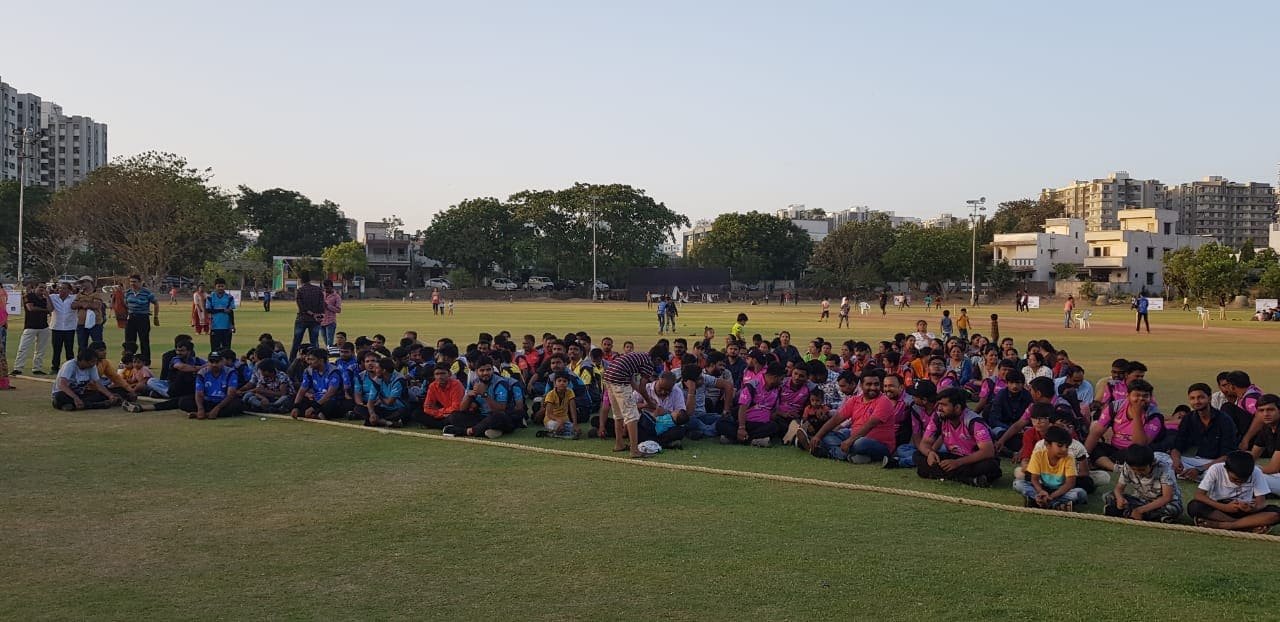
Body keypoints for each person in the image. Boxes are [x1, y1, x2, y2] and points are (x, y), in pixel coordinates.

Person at [913, 387, 1002, 487]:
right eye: (939, 404)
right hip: (954, 456)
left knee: (990, 466)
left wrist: (958, 463)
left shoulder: (974, 421)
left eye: (944, 405)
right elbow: (925, 443)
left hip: (973, 460)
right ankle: (969, 479)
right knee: (918, 455)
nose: (939, 408)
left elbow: (988, 451)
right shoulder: (939, 417)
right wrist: (930, 453)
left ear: (957, 408)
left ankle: (949, 475)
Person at [812, 369, 895, 463]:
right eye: (869, 384)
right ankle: (852, 456)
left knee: (860, 443)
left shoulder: (884, 401)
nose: (873, 387)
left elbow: (870, 425)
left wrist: (850, 441)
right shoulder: (854, 400)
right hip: (853, 436)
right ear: (861, 385)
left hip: (878, 444)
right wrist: (817, 436)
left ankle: (834, 453)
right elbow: (836, 419)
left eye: (876, 384)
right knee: (826, 436)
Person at [1187, 451, 1280, 533]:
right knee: (1195, 506)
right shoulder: (1216, 469)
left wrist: (1251, 508)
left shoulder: (1256, 472)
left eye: (1244, 480)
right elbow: (1199, 495)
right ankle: (1246, 526)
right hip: (1220, 509)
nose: (1239, 483)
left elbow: (1261, 503)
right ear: (1226, 469)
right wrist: (1225, 507)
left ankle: (1225, 525)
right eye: (1235, 479)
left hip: (1245, 511)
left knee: (1276, 513)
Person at [1084, 379, 1163, 471]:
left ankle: (1105, 463)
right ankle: (1115, 467)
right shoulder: (1115, 407)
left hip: (1135, 451)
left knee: (1138, 455)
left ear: (1150, 398)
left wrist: (1137, 415)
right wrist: (1084, 457)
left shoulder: (1154, 416)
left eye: (1145, 396)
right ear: (1128, 396)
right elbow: (1096, 432)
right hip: (1115, 448)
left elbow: (1140, 444)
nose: (1141, 399)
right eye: (1137, 395)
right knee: (1094, 446)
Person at [1169, 382, 1238, 480]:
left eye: (1201, 397)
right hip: (1195, 461)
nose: (1196, 401)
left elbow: (1228, 455)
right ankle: (1191, 474)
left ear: (1209, 398)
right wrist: (1176, 462)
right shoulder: (1188, 418)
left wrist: (1200, 469)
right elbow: (1177, 446)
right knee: (1162, 458)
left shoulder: (1224, 420)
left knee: (1226, 472)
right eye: (1192, 398)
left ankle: (1195, 475)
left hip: (1218, 463)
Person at [445, 356, 521, 439]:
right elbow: (462, 409)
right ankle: (487, 430)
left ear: (492, 370)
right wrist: (468, 396)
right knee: (454, 416)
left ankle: (467, 431)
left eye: (488, 370)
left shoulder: (500, 383)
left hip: (501, 417)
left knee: (498, 417)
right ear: (476, 371)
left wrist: (485, 394)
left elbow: (500, 409)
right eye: (482, 370)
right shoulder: (474, 382)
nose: (485, 373)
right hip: (483, 417)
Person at [1104, 444, 1183, 522]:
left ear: (1152, 464)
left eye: (1142, 470)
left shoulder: (1164, 468)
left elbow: (1167, 497)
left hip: (1162, 503)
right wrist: (1119, 498)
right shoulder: (1128, 466)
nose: (1138, 473)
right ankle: (1150, 516)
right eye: (1134, 470)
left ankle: (1130, 513)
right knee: (1110, 496)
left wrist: (1140, 510)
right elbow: (1118, 489)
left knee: (1172, 509)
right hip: (1142, 500)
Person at [1014, 426, 1086, 511]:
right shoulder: (1038, 455)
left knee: (1080, 493)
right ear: (1047, 444)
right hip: (1043, 488)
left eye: (1067, 446)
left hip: (1061, 491)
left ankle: (1038, 502)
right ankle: (1056, 504)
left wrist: (1051, 496)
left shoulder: (1069, 458)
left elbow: (1070, 484)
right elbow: (1034, 479)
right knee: (1017, 484)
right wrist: (1041, 491)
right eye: (1060, 445)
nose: (1064, 449)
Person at [718, 362, 784, 447]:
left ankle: (735, 439)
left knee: (774, 426)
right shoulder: (752, 385)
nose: (782, 382)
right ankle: (753, 440)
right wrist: (741, 428)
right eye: (781, 379)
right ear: (775, 377)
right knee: (721, 423)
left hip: (762, 424)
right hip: (745, 422)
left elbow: (772, 411)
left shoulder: (777, 390)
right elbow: (742, 408)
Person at [289, 347, 347, 420]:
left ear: (321, 360)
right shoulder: (308, 371)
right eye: (309, 359)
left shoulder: (333, 372)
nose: (309, 362)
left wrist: (314, 407)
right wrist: (296, 406)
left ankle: (316, 413)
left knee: (330, 405)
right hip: (316, 399)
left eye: (312, 359)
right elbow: (302, 390)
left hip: (330, 400)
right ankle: (316, 414)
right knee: (294, 399)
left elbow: (330, 394)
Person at [52, 350, 121, 410]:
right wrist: (75, 398)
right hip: (66, 393)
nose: (93, 364)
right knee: (59, 397)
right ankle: (97, 405)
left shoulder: (92, 366)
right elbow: (62, 385)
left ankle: (76, 406)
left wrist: (110, 395)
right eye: (91, 362)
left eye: (95, 362)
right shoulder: (69, 365)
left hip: (80, 393)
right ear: (83, 361)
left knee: (100, 394)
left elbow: (97, 384)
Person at [354, 357, 409, 428]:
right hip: (383, 408)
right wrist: (372, 414)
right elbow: (370, 402)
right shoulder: (377, 380)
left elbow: (389, 402)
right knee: (358, 408)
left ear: (384, 370)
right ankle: (385, 422)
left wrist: (380, 396)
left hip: (397, 408)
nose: (375, 370)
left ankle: (380, 421)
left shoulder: (398, 380)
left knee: (403, 411)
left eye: (377, 368)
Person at [190, 350, 244, 419]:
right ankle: (205, 412)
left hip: (223, 402)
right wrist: (200, 408)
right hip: (207, 401)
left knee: (238, 404)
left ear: (223, 361)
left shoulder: (230, 372)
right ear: (208, 362)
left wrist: (217, 408)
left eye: (217, 362)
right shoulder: (202, 373)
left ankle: (207, 414)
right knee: (184, 402)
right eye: (211, 362)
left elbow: (231, 394)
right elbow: (199, 393)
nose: (214, 365)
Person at [12, 281, 51, 376]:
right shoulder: (29, 296)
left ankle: (37, 368)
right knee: (23, 348)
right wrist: (45, 310)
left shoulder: (44, 298)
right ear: (35, 287)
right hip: (30, 326)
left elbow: (51, 309)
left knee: (40, 350)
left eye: (44, 288)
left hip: (43, 326)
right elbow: (31, 308)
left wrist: (48, 297)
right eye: (40, 287)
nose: (42, 289)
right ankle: (18, 368)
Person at [123, 274, 160, 364]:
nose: (132, 284)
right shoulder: (128, 292)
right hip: (131, 318)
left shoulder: (146, 292)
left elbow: (156, 303)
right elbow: (125, 304)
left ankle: (146, 361)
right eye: (131, 282)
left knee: (144, 340)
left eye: (134, 282)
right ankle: (129, 361)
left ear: (140, 282)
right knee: (129, 341)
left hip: (143, 318)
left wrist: (155, 317)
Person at [290, 271, 325, 361]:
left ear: (301, 280)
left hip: (302, 318)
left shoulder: (300, 290)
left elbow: (301, 307)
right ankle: (317, 360)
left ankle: (291, 361)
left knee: (297, 342)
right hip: (315, 320)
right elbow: (322, 305)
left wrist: (312, 313)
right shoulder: (318, 290)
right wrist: (318, 315)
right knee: (314, 342)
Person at [536, 372, 580, 439]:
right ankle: (556, 434)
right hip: (551, 420)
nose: (562, 383)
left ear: (568, 383)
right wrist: (559, 420)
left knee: (577, 431)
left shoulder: (570, 392)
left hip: (565, 420)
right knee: (557, 426)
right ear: (555, 383)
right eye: (559, 381)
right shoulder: (550, 395)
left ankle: (554, 434)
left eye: (564, 381)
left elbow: (573, 409)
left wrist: (575, 423)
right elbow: (549, 414)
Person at [73, 277, 108, 355]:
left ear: (89, 282)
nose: (81, 284)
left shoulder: (96, 294)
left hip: (95, 323)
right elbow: (73, 305)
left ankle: (99, 361)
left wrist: (82, 303)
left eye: (83, 282)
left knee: (97, 345)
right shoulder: (79, 294)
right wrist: (86, 303)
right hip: (81, 324)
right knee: (82, 346)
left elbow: (96, 305)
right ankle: (83, 361)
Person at [47, 282, 77, 373]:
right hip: (56, 327)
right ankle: (55, 368)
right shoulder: (52, 297)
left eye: (64, 288)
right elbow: (49, 309)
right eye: (60, 288)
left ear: (69, 290)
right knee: (56, 349)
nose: (61, 290)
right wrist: (47, 295)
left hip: (69, 328)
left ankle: (70, 369)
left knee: (69, 350)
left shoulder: (74, 298)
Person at [206, 278, 236, 353]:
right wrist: (222, 310)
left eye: (222, 286)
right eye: (218, 286)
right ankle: (214, 360)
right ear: (215, 286)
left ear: (225, 286)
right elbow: (208, 310)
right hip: (214, 326)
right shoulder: (210, 297)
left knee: (226, 349)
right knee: (214, 349)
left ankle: (226, 360)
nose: (220, 288)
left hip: (227, 327)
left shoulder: (229, 297)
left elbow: (231, 312)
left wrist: (233, 324)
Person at [321, 280, 342, 348]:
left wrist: (327, 306)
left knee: (329, 342)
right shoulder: (321, 295)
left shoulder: (336, 297)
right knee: (325, 342)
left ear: (331, 287)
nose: (326, 290)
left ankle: (330, 353)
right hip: (321, 321)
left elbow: (338, 310)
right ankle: (328, 352)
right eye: (325, 288)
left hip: (330, 322)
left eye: (327, 288)